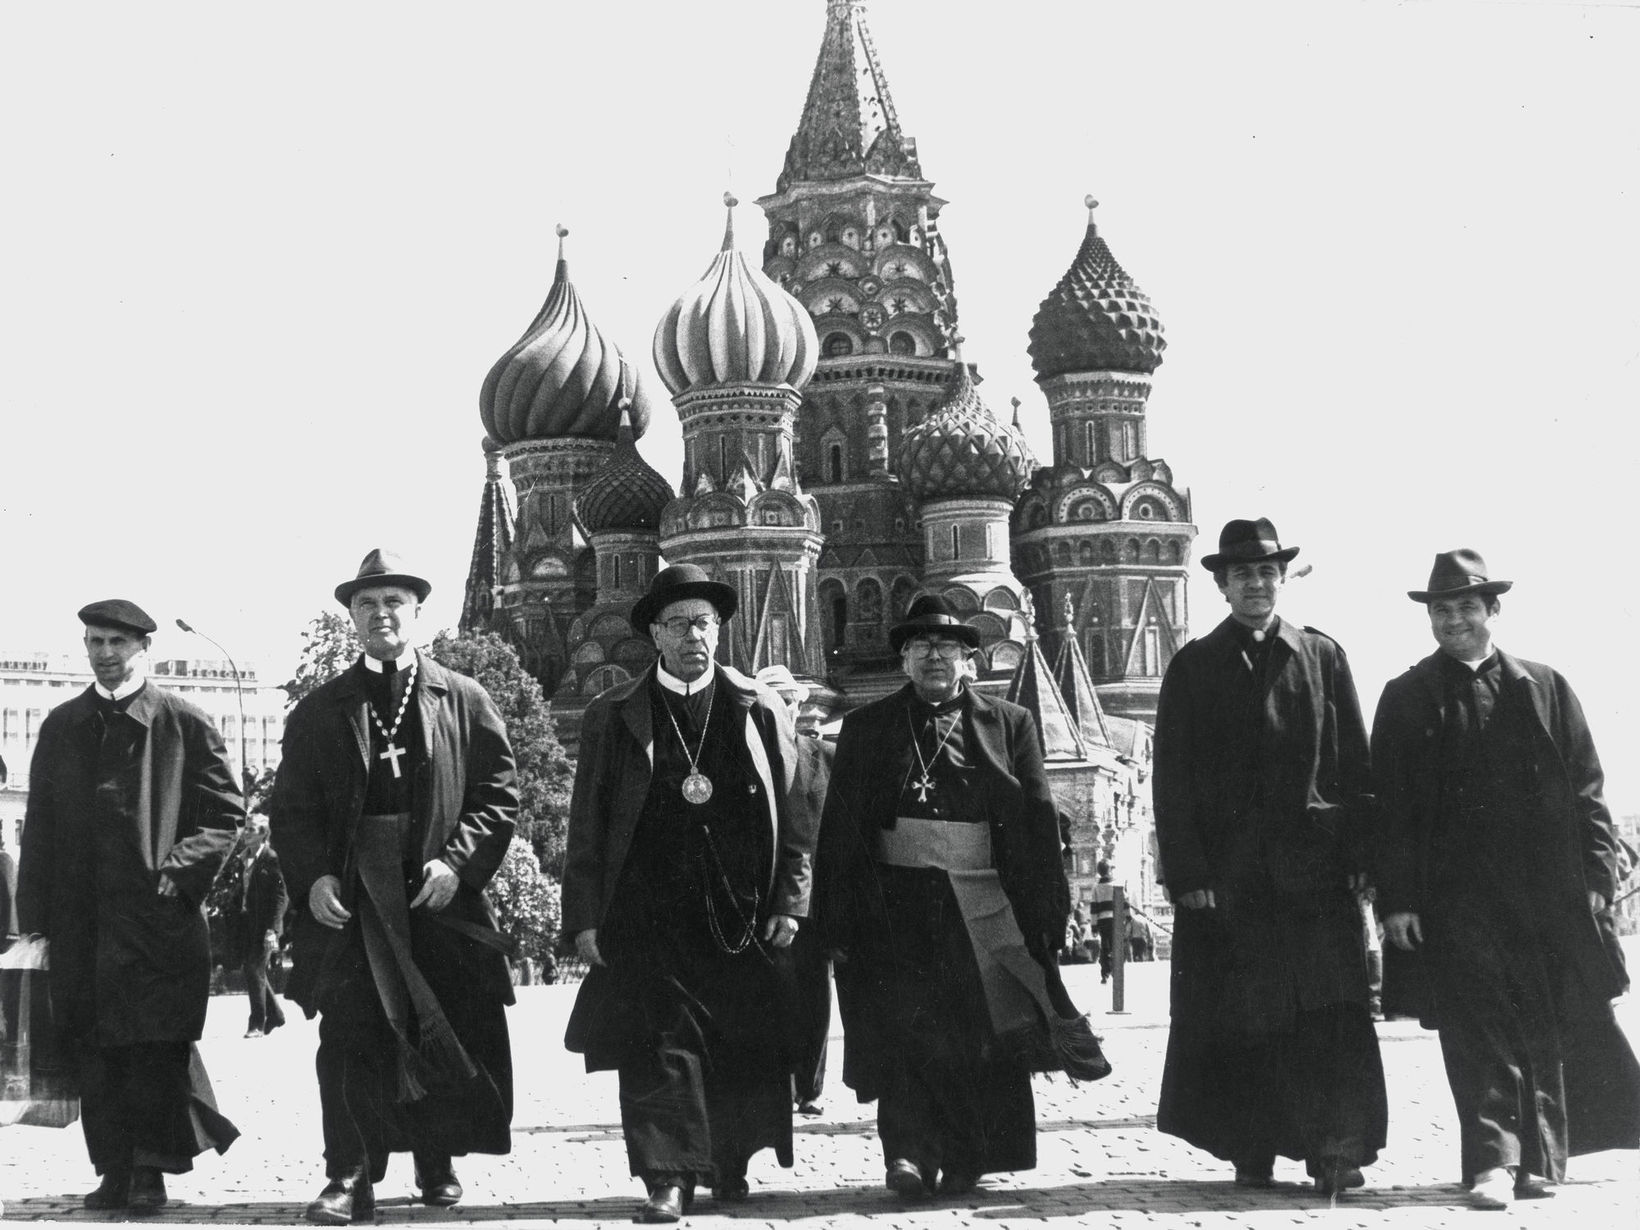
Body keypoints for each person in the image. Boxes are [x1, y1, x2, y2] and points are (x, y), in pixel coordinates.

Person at [1371, 549, 1640, 1209]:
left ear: (1493, 611)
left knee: (1540, 1023)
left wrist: (1598, 875)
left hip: (1541, 894)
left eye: (1467, 607)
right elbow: (1390, 809)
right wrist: (1398, 900)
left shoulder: (1543, 687)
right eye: (1441, 610)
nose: (1454, 620)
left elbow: (1587, 789)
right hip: (1452, 897)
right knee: (1474, 1027)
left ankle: (1541, 1163)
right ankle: (1491, 1164)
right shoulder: (1406, 697)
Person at [270, 550, 520, 1224]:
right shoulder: (323, 709)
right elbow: (290, 810)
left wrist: (458, 863)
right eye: (366, 605)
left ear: (417, 613)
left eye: (394, 603)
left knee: (439, 1026)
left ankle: (435, 1161)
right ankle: (349, 1175)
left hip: (437, 898)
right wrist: (314, 876)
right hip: (353, 900)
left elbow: (498, 797)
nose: (381, 615)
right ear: (350, 616)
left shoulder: (463, 698)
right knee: (352, 1036)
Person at [562, 564, 809, 1223]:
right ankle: (667, 1177)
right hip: (647, 909)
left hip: (741, 906)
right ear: (653, 635)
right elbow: (586, 820)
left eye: (704, 621)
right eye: (678, 623)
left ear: (720, 630)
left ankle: (728, 1162)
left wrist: (790, 898)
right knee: (656, 1043)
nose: (694, 634)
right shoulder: (613, 716)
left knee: (738, 1039)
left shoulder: (758, 707)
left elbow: (795, 814)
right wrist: (584, 916)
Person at [818, 594, 1081, 1201]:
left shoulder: (1008, 723)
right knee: (904, 1030)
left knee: (978, 1032)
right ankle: (908, 1154)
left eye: (948, 647)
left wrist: (1048, 912)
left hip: (983, 904)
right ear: (904, 659)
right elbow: (842, 830)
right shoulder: (866, 726)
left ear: (969, 659)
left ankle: (969, 1157)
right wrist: (835, 922)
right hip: (894, 905)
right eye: (920, 646)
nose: (934, 656)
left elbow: (1039, 822)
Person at [1153, 518, 1386, 1195]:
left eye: (1266, 572)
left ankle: (1337, 1149)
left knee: (1330, 1013)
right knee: (1244, 1016)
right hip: (1233, 882)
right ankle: (1251, 1146)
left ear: (1281, 579)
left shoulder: (1320, 656)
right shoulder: (1194, 665)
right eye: (1241, 575)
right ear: (1222, 585)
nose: (1255, 584)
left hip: (1316, 877)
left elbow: (1354, 765)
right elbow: (1173, 780)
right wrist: (1190, 874)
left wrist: (1361, 854)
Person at [16, 599, 242, 1212]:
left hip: (155, 916)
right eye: (95, 641)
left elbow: (225, 812)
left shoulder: (183, 722)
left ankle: (149, 1169)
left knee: (150, 1044)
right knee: (92, 1044)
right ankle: (112, 1167)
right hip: (80, 919)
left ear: (146, 649)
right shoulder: (64, 724)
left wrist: (182, 870)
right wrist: (32, 920)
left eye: (118, 642)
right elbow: (38, 824)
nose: (106, 653)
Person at [756, 663, 833, 1118]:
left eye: (786, 698)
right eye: (770, 699)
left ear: (799, 704)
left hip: (812, 904)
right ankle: (773, 1084)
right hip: (758, 899)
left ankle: (809, 1087)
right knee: (764, 997)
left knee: (812, 996)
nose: (779, 707)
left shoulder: (822, 757)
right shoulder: (742, 757)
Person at [228, 816, 288, 1038]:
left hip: (265, 927)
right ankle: (276, 1016)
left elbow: (281, 896)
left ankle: (257, 1024)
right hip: (246, 924)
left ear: (264, 833)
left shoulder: (271, 858)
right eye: (246, 829)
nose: (246, 833)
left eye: (252, 830)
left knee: (254, 967)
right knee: (254, 969)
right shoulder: (242, 859)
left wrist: (273, 930)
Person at [1089, 861, 1117, 983]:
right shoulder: (1116, 884)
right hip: (1115, 919)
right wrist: (1127, 918)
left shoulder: (1096, 887)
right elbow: (1124, 901)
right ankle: (1116, 970)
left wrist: (1094, 926)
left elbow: (1094, 908)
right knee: (1115, 945)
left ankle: (1104, 973)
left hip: (1101, 920)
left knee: (1104, 946)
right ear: (1109, 870)